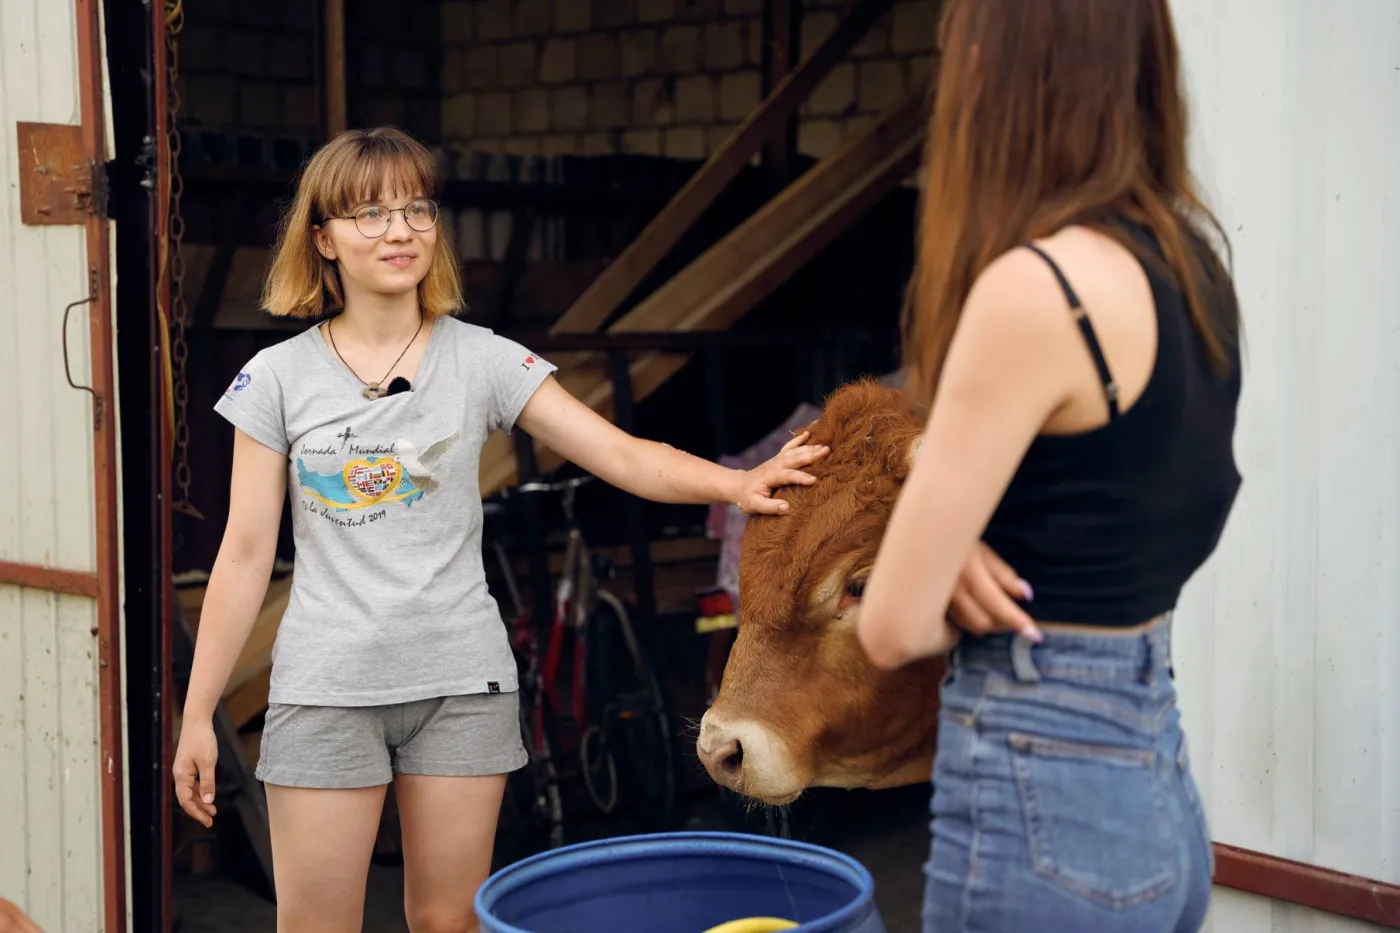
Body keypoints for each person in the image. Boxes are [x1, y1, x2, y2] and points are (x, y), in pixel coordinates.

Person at [171, 125, 829, 933]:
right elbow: (241, 555)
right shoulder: (275, 378)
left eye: (416, 208)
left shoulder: (482, 358)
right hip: (326, 688)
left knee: (450, 922)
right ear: (323, 239)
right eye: (369, 214)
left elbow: (620, 453)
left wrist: (738, 481)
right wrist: (199, 712)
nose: (400, 229)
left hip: (460, 685)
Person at [855, 1, 1242, 931]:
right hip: (1157, 786)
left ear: (1001, 67)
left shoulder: (1035, 291)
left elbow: (894, 624)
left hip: (1043, 781)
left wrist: (937, 553)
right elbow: (1104, 489)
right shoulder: (1192, 264)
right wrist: (954, 527)